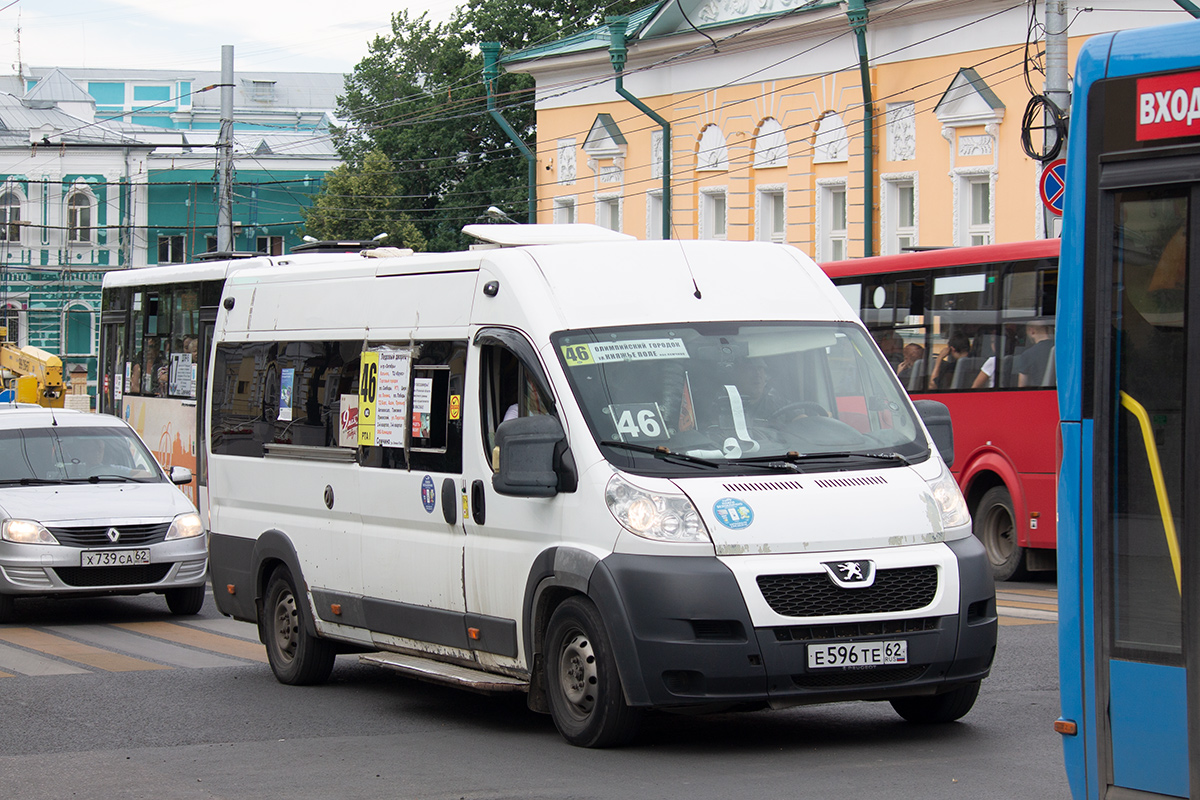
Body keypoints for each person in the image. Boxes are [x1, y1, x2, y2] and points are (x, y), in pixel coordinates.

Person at [1017, 322, 1054, 387]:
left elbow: (1022, 386)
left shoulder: (1027, 354)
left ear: (1032, 331)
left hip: (1038, 394)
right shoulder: (1061, 349)